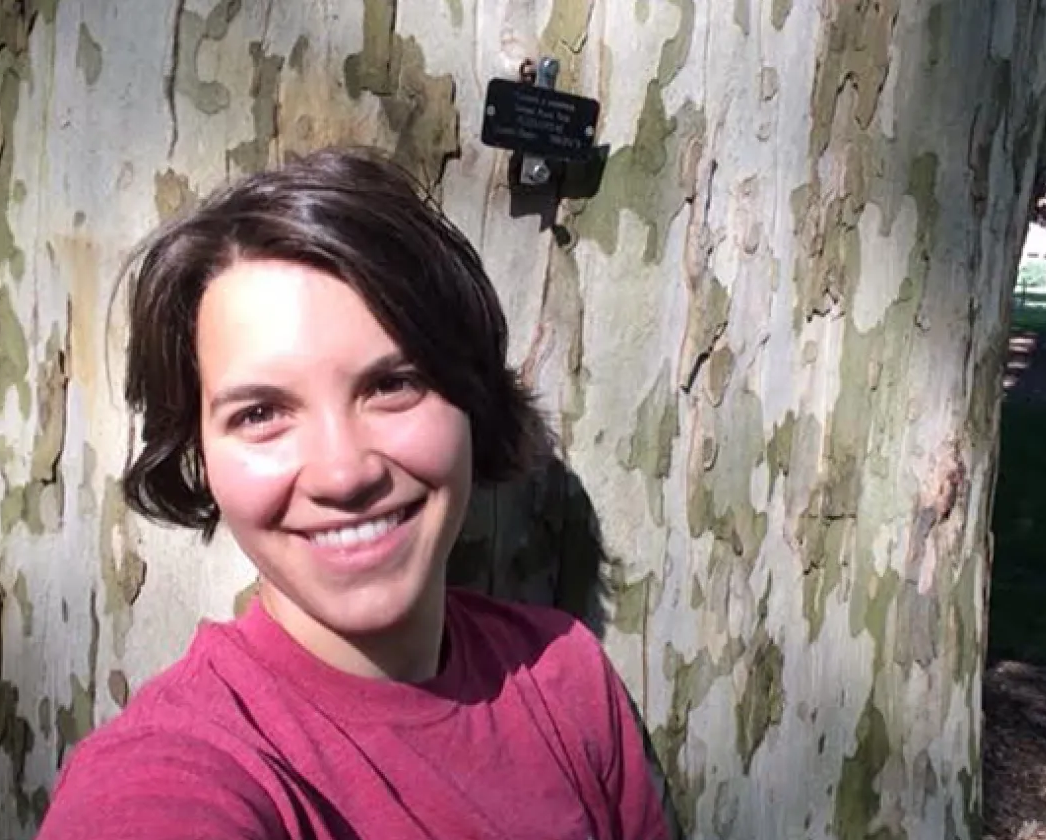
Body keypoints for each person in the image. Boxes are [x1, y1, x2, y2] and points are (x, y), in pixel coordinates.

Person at [36, 147, 672, 840]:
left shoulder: (563, 675)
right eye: (260, 414)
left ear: (472, 398)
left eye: (392, 384)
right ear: (199, 456)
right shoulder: (168, 774)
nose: (343, 475)